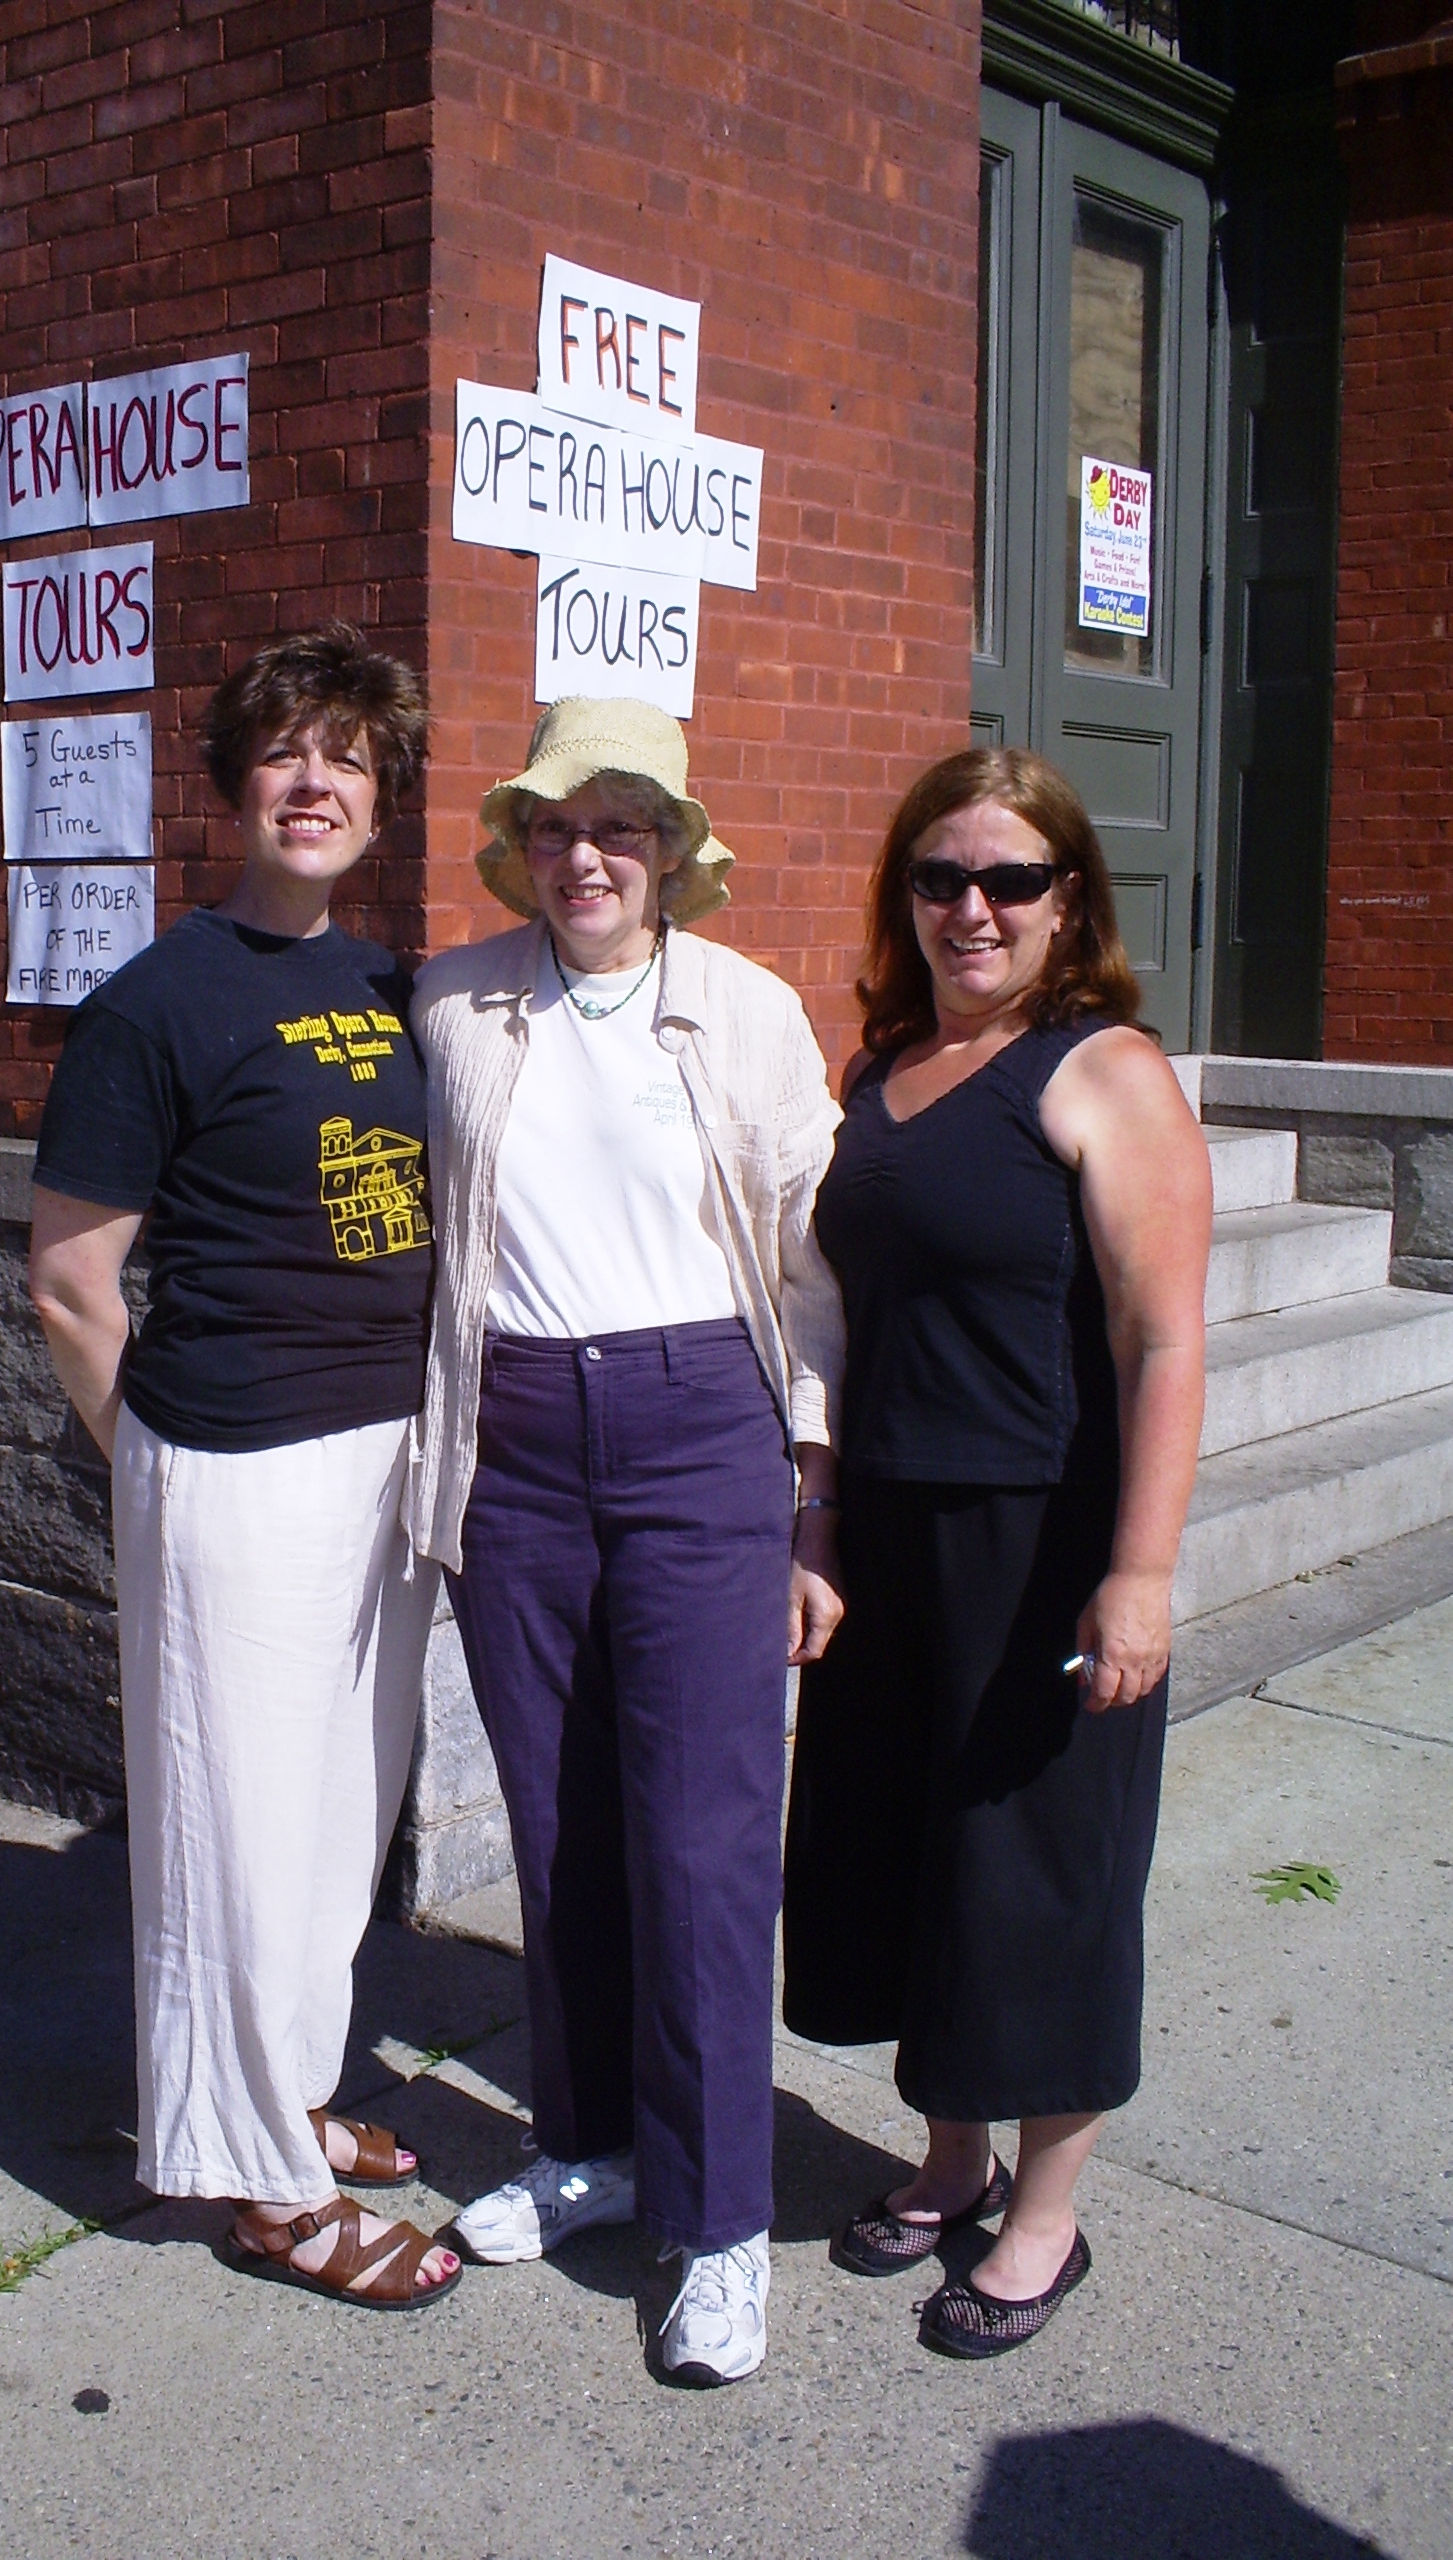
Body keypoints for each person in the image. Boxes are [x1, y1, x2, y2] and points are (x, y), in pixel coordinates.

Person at [409, 696, 846, 2385]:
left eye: (623, 825)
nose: (585, 855)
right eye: (556, 826)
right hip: (513, 1441)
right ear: (520, 845)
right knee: (561, 1821)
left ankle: (719, 2221)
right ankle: (587, 2144)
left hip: (699, 1433)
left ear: (671, 848)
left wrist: (813, 1487)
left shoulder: (745, 1012)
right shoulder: (454, 999)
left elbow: (812, 1256)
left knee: (705, 1845)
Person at [27, 623, 460, 2310]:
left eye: (348, 757)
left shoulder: (391, 986)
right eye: (286, 752)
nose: (315, 782)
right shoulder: (154, 1003)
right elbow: (72, 1282)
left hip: (385, 1456)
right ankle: (265, 2190)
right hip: (235, 1463)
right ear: (231, 783)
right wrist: (157, 1466)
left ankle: (295, 2093)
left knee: (341, 1815)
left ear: (381, 797)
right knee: (235, 1835)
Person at [782, 744, 1210, 2359]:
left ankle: (1046, 2216)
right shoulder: (881, 1071)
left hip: (1041, 1534)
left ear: (1067, 900)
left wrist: (1142, 1570)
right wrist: (816, 1517)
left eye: (1010, 881)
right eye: (940, 878)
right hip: (890, 1527)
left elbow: (1164, 1339)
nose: (973, 907)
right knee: (906, 1857)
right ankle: (948, 2158)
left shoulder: (1104, 1070)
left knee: (1038, 1876)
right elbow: (841, 1309)